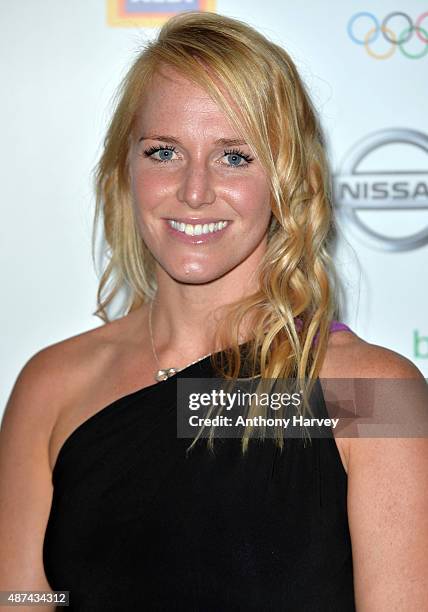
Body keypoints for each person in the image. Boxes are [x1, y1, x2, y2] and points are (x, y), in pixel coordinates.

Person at [1, 10, 427, 612]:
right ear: (125, 169)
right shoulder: (52, 385)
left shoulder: (373, 394)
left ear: (288, 178)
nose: (194, 190)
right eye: (164, 151)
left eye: (234, 157)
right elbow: (20, 598)